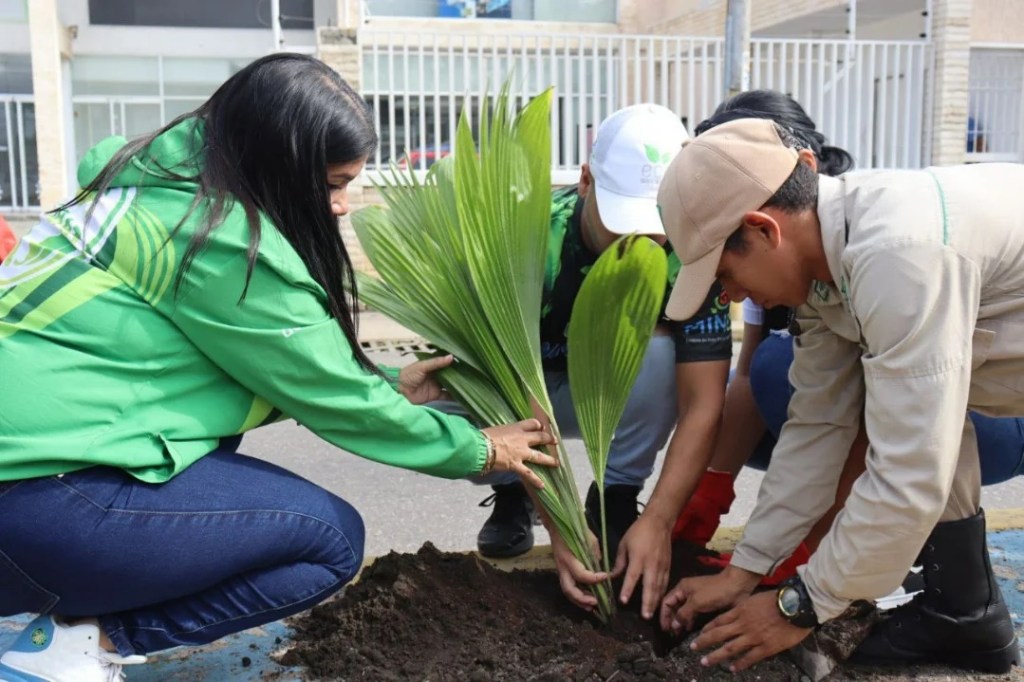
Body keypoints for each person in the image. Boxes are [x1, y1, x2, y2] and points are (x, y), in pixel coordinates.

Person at [0, 54, 557, 682]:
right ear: (276, 165)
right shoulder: (218, 239)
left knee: (226, 464)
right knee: (328, 543)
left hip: (34, 485)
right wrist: (481, 450)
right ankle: (81, 645)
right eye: (331, 184)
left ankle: (78, 609)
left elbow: (260, 366)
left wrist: (387, 384)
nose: (341, 206)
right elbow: (333, 399)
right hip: (32, 506)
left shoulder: (149, 190)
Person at [656, 116, 1022, 674]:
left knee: (912, 427)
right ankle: (965, 617)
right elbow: (818, 425)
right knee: (915, 406)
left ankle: (963, 613)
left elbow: (909, 474)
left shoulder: (896, 255)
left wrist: (799, 606)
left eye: (724, 273)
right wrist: (745, 571)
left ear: (763, 230)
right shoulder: (827, 269)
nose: (731, 295)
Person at [472, 103, 732, 621]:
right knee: (455, 399)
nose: (641, 241)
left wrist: (659, 520)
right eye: (625, 220)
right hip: (523, 390)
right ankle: (510, 490)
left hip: (603, 393)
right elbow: (512, 385)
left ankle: (615, 495)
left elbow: (704, 403)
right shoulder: (530, 240)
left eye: (657, 223)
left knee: (662, 350)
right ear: (586, 181)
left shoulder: (692, 251)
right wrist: (560, 525)